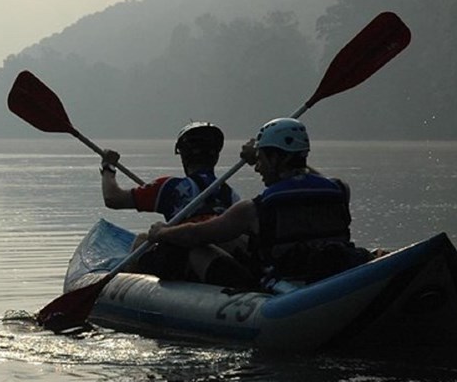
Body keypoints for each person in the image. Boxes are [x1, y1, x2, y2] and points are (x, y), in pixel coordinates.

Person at [147, 117, 373, 290]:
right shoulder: (340, 190)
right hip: (336, 272)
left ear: (276, 159)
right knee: (239, 241)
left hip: (283, 286)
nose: (257, 168)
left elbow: (196, 235)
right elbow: (314, 179)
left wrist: (163, 232)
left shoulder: (254, 209)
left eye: (261, 160)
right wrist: (259, 153)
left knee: (197, 251)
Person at [100, 122, 251, 285]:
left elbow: (113, 198)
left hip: (185, 261)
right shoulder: (231, 195)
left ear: (183, 156)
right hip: (219, 260)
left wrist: (108, 167)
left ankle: (126, 289)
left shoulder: (170, 187)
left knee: (142, 240)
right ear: (215, 156)